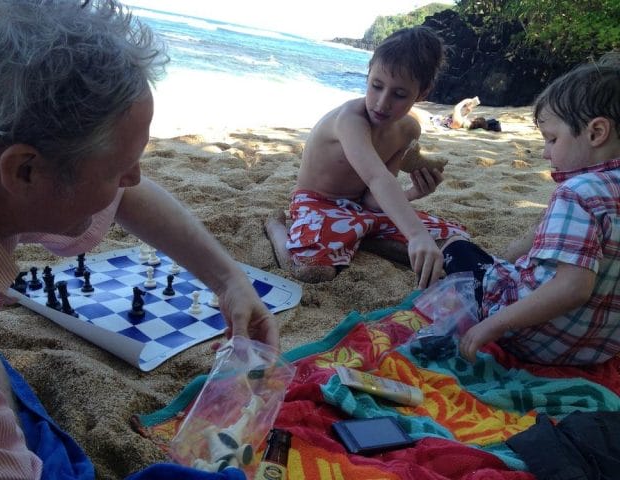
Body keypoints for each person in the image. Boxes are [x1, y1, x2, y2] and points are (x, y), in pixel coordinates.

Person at [0, 1, 277, 478]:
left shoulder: (0, 183)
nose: (134, 179)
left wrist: (229, 281)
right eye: (120, 169)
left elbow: (130, 199)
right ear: (26, 169)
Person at [440, 53, 620, 365]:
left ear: (595, 133)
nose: (545, 152)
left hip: (536, 340)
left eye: (552, 139)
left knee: (456, 248)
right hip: (598, 351)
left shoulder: (577, 193)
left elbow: (574, 288)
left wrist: (491, 327)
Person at [265, 27, 468, 287]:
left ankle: (360, 238)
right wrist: (415, 234)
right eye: (376, 86)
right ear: (368, 73)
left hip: (361, 209)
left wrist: (415, 192)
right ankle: (276, 227)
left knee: (454, 242)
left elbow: (373, 201)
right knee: (312, 270)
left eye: (399, 94)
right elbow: (376, 177)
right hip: (318, 202)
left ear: (422, 93)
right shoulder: (351, 120)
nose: (382, 103)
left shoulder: (408, 129)